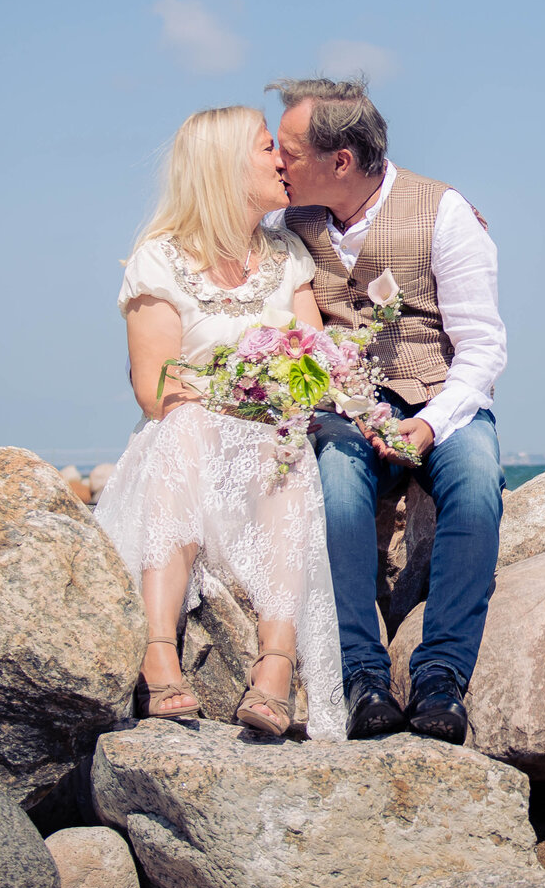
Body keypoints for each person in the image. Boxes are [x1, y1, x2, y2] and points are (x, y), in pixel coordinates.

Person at [91, 105, 349, 741]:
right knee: (184, 428)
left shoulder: (287, 257)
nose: (283, 162)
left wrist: (279, 396)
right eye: (268, 149)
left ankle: (275, 668)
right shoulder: (159, 261)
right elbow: (157, 386)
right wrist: (229, 397)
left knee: (284, 444)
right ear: (227, 167)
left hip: (266, 435)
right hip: (189, 439)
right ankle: (160, 653)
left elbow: (314, 358)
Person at [269, 77, 505, 744]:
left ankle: (441, 677)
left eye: (288, 151)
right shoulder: (288, 222)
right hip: (347, 402)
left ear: (339, 161)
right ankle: (362, 676)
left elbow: (484, 346)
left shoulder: (445, 212)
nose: (278, 162)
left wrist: (433, 422)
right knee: (337, 489)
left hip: (440, 396)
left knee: (479, 483)